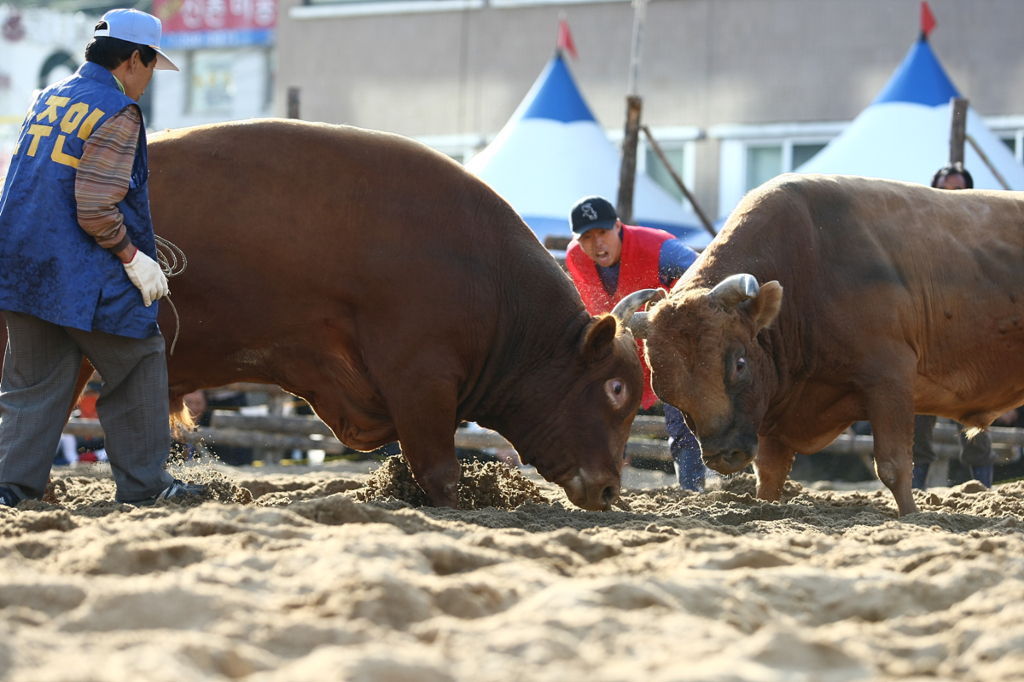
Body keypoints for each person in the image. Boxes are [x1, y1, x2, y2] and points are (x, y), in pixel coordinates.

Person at [0, 9, 204, 507]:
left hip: (21, 266)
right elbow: (94, 206)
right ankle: (147, 487)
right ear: (135, 59)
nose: (150, 77)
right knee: (139, 357)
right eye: (153, 64)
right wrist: (134, 256)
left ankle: (8, 488)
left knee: (33, 385)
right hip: (82, 273)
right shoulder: (118, 111)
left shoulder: (48, 97)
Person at [565, 195, 706, 490]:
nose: (596, 243)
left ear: (618, 226)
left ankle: (693, 494)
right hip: (616, 354)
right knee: (599, 419)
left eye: (602, 232)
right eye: (587, 237)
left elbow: (705, 277)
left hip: (669, 349)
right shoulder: (575, 258)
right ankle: (602, 487)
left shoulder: (660, 249)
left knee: (683, 425)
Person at [912, 163, 996, 489]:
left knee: (975, 419)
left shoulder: (983, 237)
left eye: (958, 191)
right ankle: (914, 491)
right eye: (944, 191)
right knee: (918, 417)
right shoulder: (918, 236)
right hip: (927, 340)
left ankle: (985, 491)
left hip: (968, 342)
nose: (951, 198)